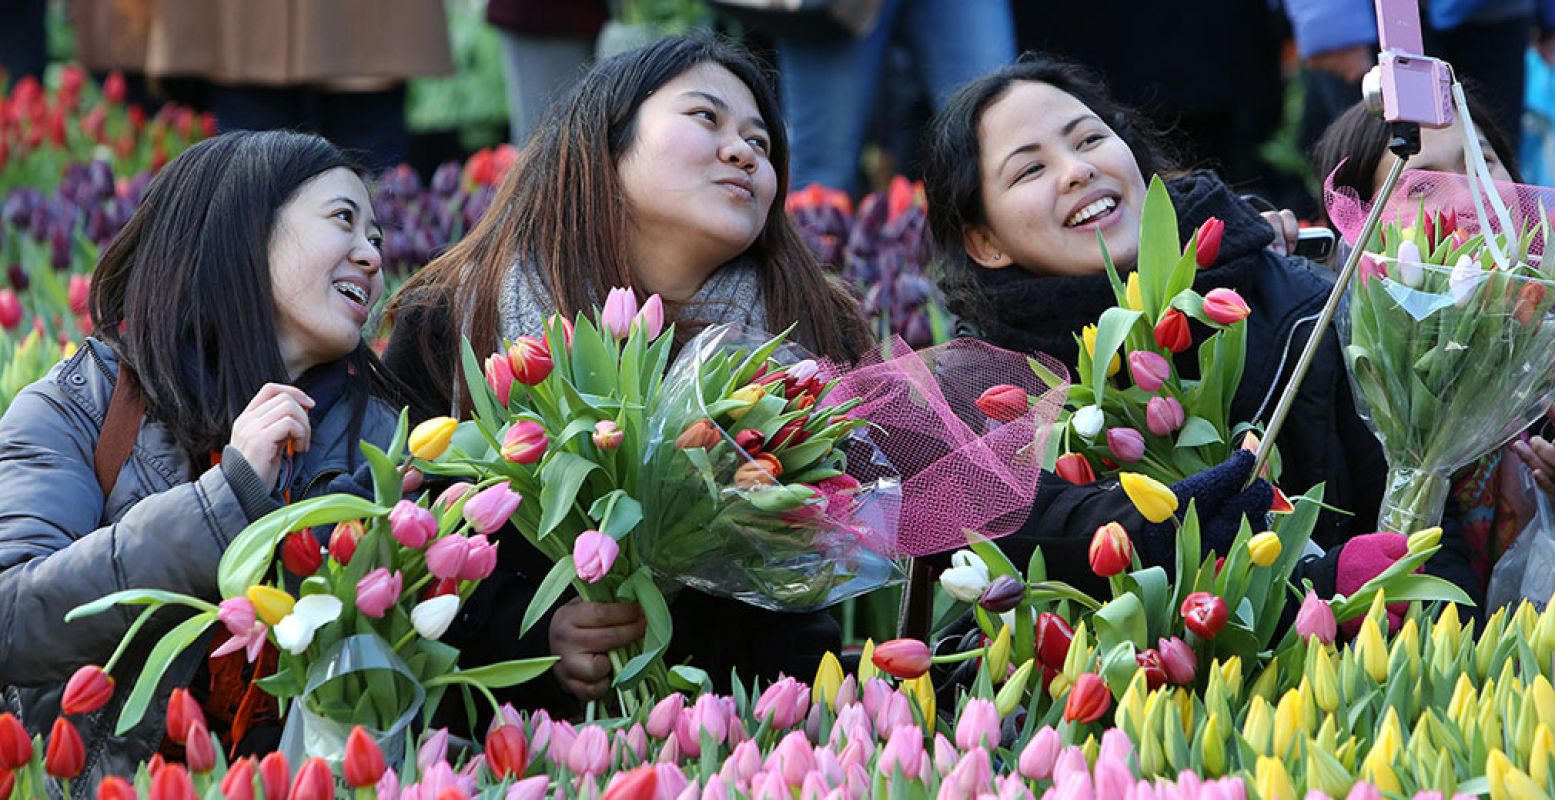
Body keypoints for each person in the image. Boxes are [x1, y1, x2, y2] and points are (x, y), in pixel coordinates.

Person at [383, 35, 872, 712]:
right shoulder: (461, 318)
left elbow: (800, 599)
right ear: (605, 146)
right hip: (499, 745)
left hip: (722, 741)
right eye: (707, 119)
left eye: (761, 143)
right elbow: (404, 545)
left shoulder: (805, 343)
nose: (743, 152)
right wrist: (535, 640)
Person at [922, 56, 1480, 603]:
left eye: (1089, 139)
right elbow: (1035, 525)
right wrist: (1176, 529)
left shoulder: (1302, 306)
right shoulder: (983, 389)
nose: (1077, 169)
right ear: (984, 243)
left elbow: (1424, 526)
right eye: (1030, 170)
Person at [0, 131, 402, 793]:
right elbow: (14, 617)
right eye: (343, 220)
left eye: (378, 238)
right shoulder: (84, 405)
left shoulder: (382, 445)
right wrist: (226, 498)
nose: (371, 255)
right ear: (242, 230)